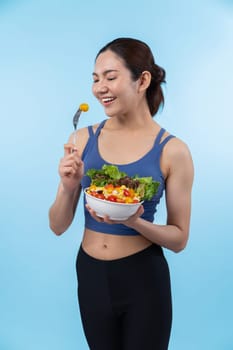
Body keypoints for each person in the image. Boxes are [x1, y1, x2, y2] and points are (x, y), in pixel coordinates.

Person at [49, 37, 194, 350]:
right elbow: (58, 226)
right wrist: (68, 186)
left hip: (143, 277)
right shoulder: (82, 138)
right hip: (90, 274)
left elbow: (179, 239)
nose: (100, 87)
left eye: (111, 77)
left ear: (142, 80)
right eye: (95, 78)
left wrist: (135, 222)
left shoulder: (173, 151)